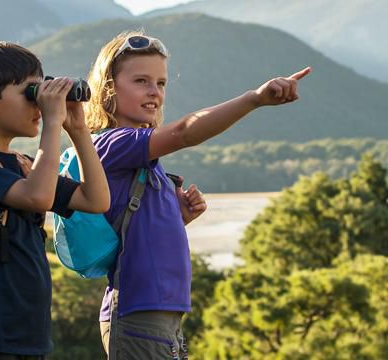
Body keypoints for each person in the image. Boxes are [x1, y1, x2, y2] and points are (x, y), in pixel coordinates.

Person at [85, 30, 311, 359]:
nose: (154, 92)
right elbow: (182, 132)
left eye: (161, 83)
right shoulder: (112, 143)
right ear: (108, 89)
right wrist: (254, 99)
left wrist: (178, 219)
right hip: (137, 314)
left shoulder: (143, 158)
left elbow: (133, 232)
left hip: (161, 316)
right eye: (141, 81)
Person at [0, 41, 110, 359]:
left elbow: (96, 199)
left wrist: (79, 131)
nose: (40, 104)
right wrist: (52, 124)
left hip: (29, 341)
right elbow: (37, 197)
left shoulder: (25, 165)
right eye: (32, 93)